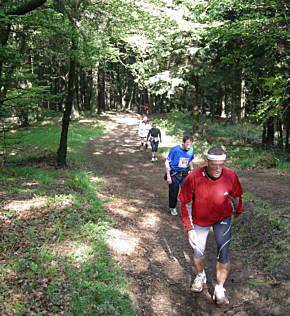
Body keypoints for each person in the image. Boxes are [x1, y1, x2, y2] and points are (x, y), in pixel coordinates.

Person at [178, 147, 243, 305]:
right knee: (198, 251)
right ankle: (201, 275)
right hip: (200, 219)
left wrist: (238, 210)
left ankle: (219, 288)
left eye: (221, 164)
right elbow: (185, 202)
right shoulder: (194, 177)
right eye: (214, 164)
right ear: (206, 161)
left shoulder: (230, 175)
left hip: (222, 218)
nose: (218, 168)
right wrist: (189, 228)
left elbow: (237, 195)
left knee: (224, 251)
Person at [165, 136, 194, 216]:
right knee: (173, 192)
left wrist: (192, 170)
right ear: (183, 142)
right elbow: (167, 162)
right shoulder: (175, 150)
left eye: (190, 145)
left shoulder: (191, 150)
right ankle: (172, 207)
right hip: (174, 174)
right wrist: (168, 176)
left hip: (185, 174)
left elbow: (190, 160)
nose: (188, 146)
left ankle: (187, 210)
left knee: (187, 192)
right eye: (187, 144)